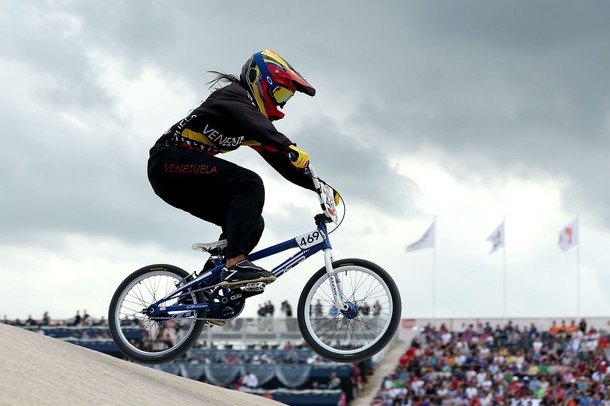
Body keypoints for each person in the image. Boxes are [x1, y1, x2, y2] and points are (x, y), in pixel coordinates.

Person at [148, 49, 319, 288]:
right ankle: (235, 266)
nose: (280, 103)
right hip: (167, 162)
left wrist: (320, 187)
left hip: (183, 176)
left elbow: (281, 161)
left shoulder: (251, 123)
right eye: (279, 94)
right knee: (248, 183)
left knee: (251, 222)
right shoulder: (232, 96)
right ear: (259, 81)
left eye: (284, 100)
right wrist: (287, 145)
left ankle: (206, 286)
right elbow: (260, 128)